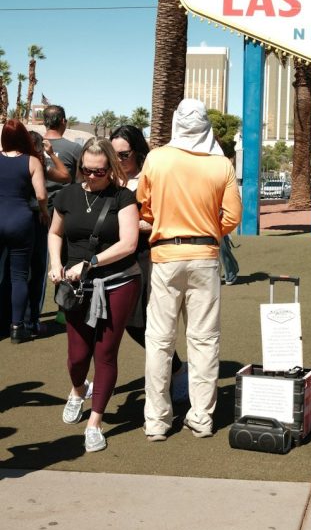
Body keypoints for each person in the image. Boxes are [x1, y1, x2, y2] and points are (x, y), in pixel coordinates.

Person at [137, 99, 242, 441]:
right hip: (205, 256)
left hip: (165, 255)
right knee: (204, 341)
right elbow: (232, 217)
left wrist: (164, 221)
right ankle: (201, 417)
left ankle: (156, 420)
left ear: (176, 124)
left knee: (159, 341)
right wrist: (208, 231)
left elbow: (145, 207)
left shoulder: (157, 158)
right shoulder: (220, 165)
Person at [48, 139, 141, 453]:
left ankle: (95, 423)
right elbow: (54, 233)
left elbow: (129, 243)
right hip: (76, 287)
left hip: (118, 282)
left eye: (98, 172)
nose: (90, 176)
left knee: (105, 354)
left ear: (110, 169)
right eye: (85, 170)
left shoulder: (123, 197)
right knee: (76, 357)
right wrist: (56, 264)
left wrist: (93, 262)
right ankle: (78, 391)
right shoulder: (67, 195)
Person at [110, 124, 187, 399]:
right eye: (114, 153)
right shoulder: (109, 177)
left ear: (137, 151)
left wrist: (135, 225)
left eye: (124, 154)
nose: (119, 160)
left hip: (146, 254)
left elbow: (167, 217)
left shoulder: (150, 176)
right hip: (114, 255)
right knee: (116, 321)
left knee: (141, 321)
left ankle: (176, 370)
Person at [0, 120, 48, 342]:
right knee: (19, 276)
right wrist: (44, 213)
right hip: (20, 220)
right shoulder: (32, 161)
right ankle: (17, 327)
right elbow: (40, 195)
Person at [24, 130, 70, 336]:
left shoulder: (12, 161)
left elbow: (64, 176)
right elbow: (65, 177)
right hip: (37, 219)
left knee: (14, 272)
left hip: (11, 220)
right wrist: (51, 154)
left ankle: (14, 317)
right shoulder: (38, 164)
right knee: (37, 271)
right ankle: (31, 320)